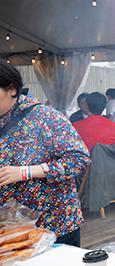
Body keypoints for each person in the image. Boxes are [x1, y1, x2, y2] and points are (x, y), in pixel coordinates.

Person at [0, 63, 90, 246]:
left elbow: (79, 158)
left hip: (53, 225)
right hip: (10, 229)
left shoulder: (44, 117)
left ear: (11, 89)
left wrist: (25, 172)